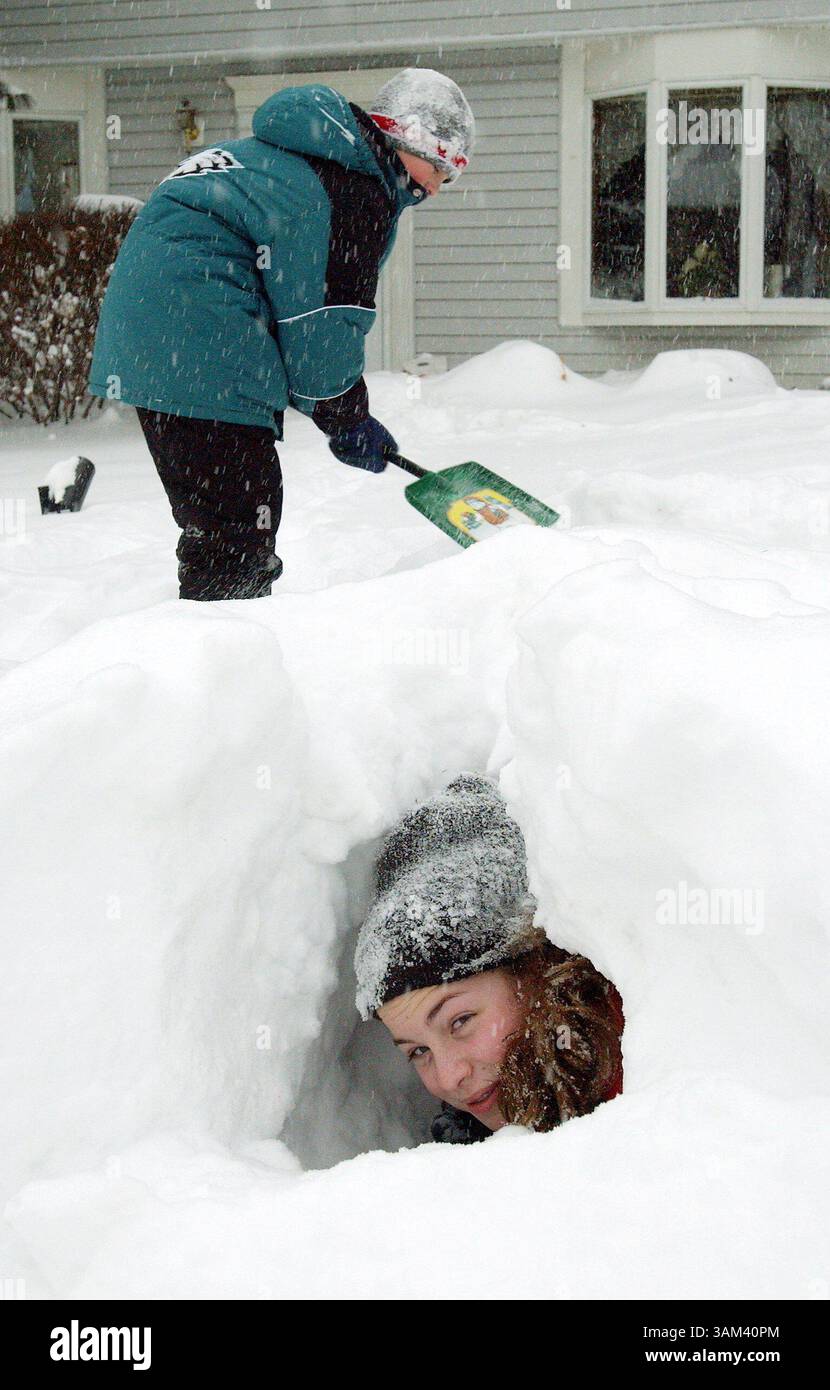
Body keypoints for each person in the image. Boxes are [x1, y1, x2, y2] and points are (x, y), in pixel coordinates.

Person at [87, 69, 475, 600]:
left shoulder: (284, 158)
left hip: (152, 346)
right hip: (203, 346)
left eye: (447, 178)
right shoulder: (352, 188)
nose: (432, 187)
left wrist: (335, 412)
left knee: (221, 527)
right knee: (240, 533)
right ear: (397, 138)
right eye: (433, 165)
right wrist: (346, 416)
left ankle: (213, 642)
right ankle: (221, 660)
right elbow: (321, 323)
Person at [354, 773, 625, 1142]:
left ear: (536, 969)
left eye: (460, 1021)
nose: (450, 1077)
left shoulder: (668, 1076)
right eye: (418, 1051)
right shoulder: (471, 1152)